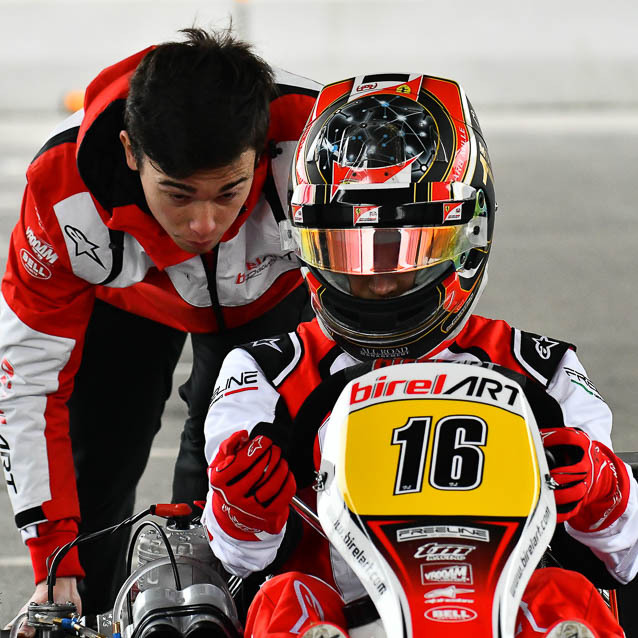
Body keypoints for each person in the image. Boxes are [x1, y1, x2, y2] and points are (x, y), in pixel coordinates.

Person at [199, 74, 637, 637]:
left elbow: (623, 560)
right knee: (287, 598)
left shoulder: (542, 369)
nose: (379, 282)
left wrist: (603, 492)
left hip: (502, 614)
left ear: (468, 238)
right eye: (350, 253)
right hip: (343, 615)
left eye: (406, 252)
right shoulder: (265, 371)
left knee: (568, 597)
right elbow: (238, 563)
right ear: (306, 246)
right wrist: (243, 507)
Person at [0, 27, 320, 627]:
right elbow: (29, 381)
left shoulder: (321, 145)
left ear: (264, 149)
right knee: (100, 457)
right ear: (129, 152)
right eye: (177, 193)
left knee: (243, 469)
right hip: (126, 304)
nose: (204, 223)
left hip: (268, 295)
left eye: (230, 190)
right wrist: (54, 558)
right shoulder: (61, 189)